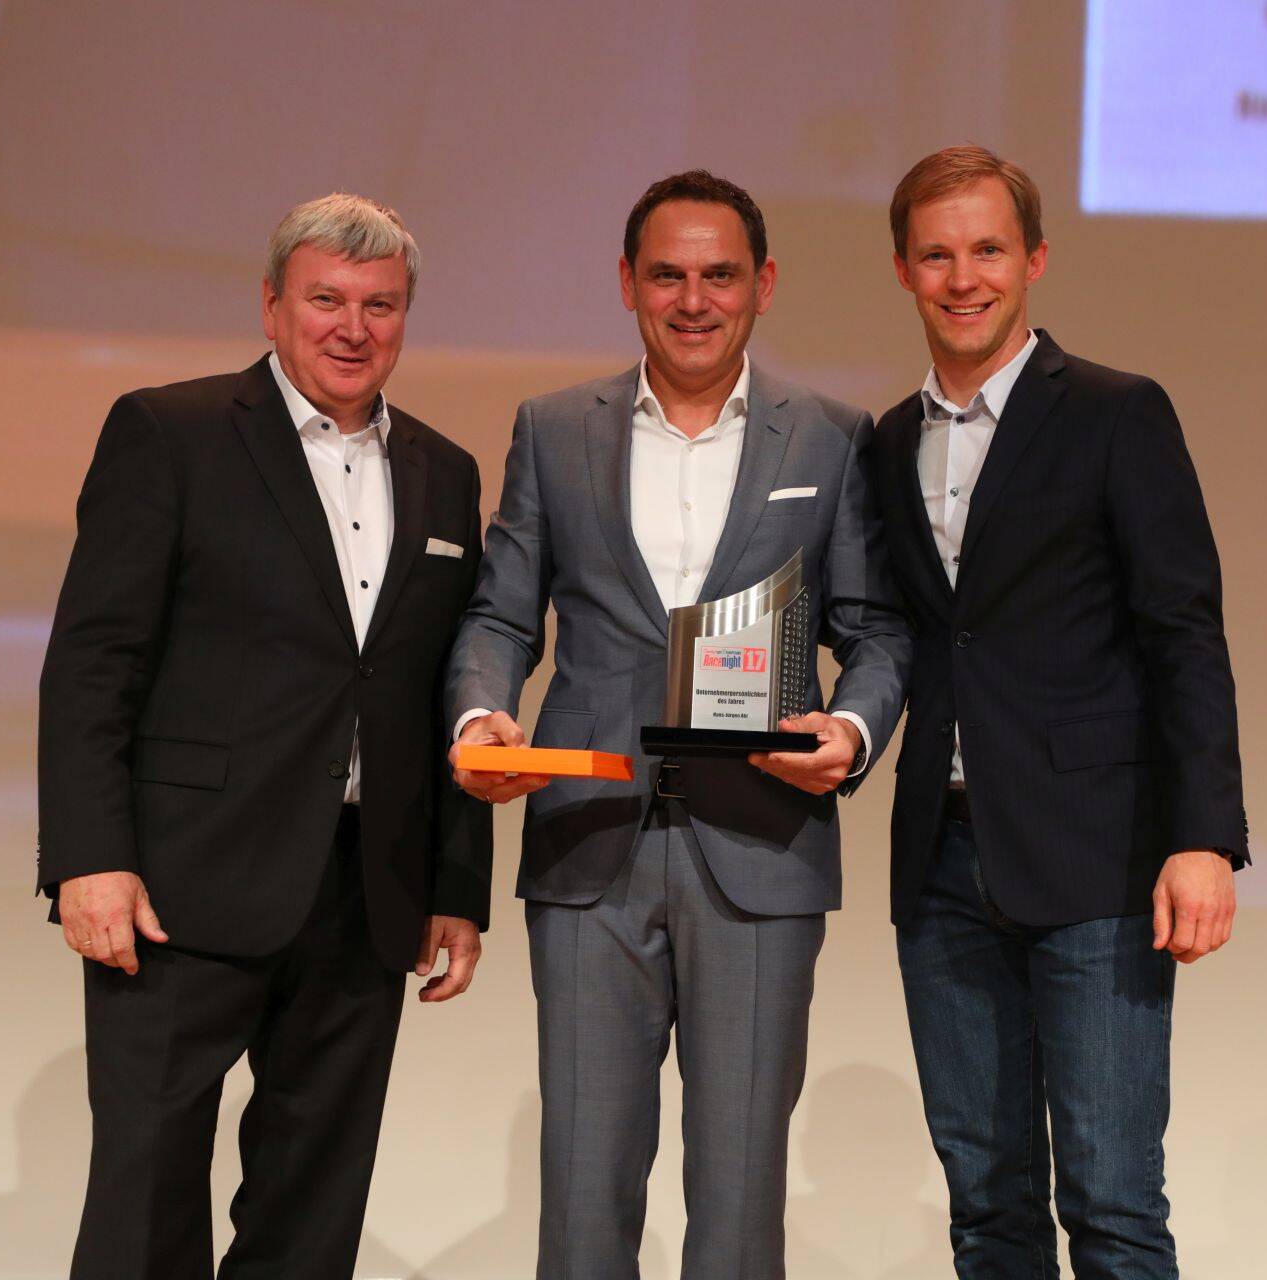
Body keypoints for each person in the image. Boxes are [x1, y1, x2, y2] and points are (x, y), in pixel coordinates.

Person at [448, 169, 909, 1278]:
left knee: (741, 1199)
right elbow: (501, 613)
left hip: (761, 844)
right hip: (587, 840)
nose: (693, 300)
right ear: (626, 283)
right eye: (667, 275)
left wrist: (851, 733)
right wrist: (481, 712)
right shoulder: (554, 429)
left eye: (719, 275)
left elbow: (879, 631)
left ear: (764, 285)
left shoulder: (831, 437)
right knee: (582, 1191)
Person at [36, 193, 491, 1280]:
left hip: (364, 895)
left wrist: (454, 882)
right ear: (272, 305)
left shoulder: (447, 470)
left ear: (406, 315)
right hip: (177, 889)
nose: (353, 328)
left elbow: (439, 686)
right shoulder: (171, 432)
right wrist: (88, 858)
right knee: (146, 1202)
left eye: (380, 305)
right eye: (326, 299)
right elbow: (95, 659)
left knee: (311, 1213)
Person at [872, 145, 1249, 1277]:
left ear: (1034, 258)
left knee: (1113, 1201)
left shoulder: (1116, 412)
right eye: (938, 255)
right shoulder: (887, 440)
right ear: (904, 269)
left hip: (1098, 858)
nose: (965, 278)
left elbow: (1183, 632)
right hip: (941, 863)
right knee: (987, 1207)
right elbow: (905, 634)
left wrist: (1203, 836)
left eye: (989, 249)